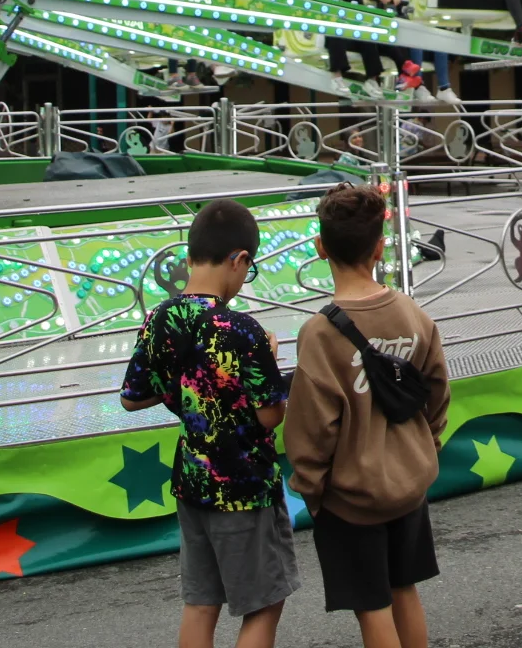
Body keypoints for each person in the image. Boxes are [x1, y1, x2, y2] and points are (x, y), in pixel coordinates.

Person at [119, 199, 297, 647]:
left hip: (192, 483)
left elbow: (132, 398)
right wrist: (267, 361)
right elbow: (270, 415)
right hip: (243, 486)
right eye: (248, 269)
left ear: (191, 254)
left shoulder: (160, 318)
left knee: (201, 603)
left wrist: (185, 381)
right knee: (264, 603)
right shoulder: (244, 331)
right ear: (240, 259)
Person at [285, 185, 450, 648]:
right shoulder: (413, 314)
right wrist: (425, 447)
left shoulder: (319, 333)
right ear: (380, 248)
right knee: (405, 590)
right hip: (409, 483)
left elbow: (312, 426)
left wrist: (312, 487)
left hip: (350, 495)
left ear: (320, 247)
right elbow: (437, 393)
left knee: (372, 607)